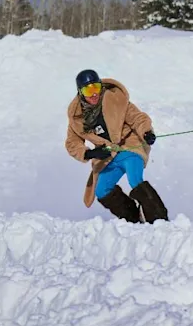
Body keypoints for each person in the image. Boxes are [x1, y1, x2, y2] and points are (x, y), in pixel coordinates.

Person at [64, 69, 169, 223]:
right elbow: (72, 142)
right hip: (108, 157)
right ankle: (132, 218)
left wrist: (146, 132)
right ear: (80, 93)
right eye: (88, 90)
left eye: (96, 88)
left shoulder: (116, 100)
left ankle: (160, 220)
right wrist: (90, 154)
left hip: (129, 148)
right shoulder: (77, 117)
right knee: (101, 190)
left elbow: (137, 118)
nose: (93, 94)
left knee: (135, 180)